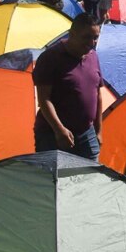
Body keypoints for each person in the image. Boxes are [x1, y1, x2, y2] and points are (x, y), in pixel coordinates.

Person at [33, 13, 104, 160]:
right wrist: (59, 130)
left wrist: (98, 130)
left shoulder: (93, 56)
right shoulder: (50, 58)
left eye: (95, 37)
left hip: (86, 133)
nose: (91, 42)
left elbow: (97, 94)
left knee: (91, 178)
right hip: (53, 135)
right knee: (56, 180)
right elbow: (44, 99)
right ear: (72, 34)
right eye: (86, 37)